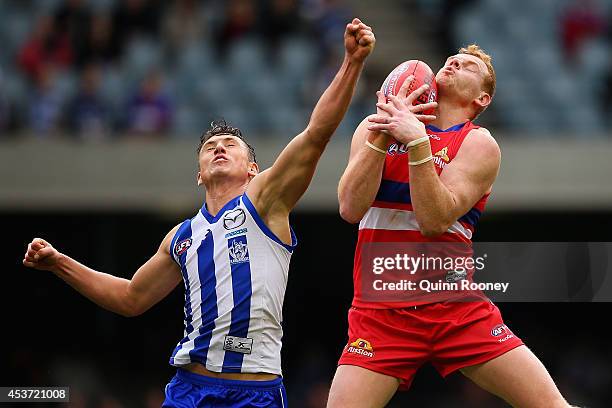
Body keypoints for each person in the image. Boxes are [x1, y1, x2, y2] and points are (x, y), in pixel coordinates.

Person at [22, 18, 375, 408]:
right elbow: (130, 298)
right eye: (210, 148)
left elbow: (315, 134)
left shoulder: (265, 202)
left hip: (254, 393)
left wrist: (352, 63)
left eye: (230, 144)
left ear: (253, 169)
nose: (219, 148)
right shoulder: (181, 237)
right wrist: (59, 263)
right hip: (189, 390)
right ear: (199, 174)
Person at [329, 45, 576, 407]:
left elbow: (434, 219)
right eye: (451, 60)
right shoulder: (372, 126)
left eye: (469, 66)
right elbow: (350, 208)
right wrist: (385, 133)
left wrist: (416, 141)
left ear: (482, 98)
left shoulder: (478, 143)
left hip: (455, 308)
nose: (455, 62)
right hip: (381, 312)